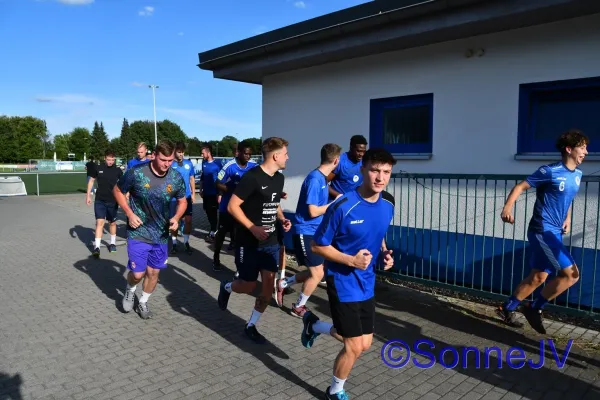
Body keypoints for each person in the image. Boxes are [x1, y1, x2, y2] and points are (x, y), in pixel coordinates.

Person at [300, 148, 396, 400]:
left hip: (367, 282)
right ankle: (335, 391)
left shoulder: (388, 203)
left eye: (386, 172)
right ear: (362, 169)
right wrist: (351, 260)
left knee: (363, 344)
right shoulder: (343, 205)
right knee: (352, 346)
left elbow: (379, 232)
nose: (380, 177)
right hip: (342, 282)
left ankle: (314, 325)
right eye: (375, 170)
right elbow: (317, 245)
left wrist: (385, 254)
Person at [496, 129, 588, 334]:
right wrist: (507, 208)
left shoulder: (578, 175)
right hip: (542, 231)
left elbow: (567, 198)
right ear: (569, 149)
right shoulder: (550, 171)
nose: (586, 152)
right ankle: (534, 307)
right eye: (582, 147)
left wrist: (568, 217)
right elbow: (520, 186)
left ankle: (506, 309)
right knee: (571, 275)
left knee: (538, 277)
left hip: (555, 231)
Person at [217, 137, 292, 343]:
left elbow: (274, 202)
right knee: (249, 285)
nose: (288, 157)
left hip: (270, 242)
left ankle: (251, 325)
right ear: (275, 156)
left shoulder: (279, 178)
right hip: (248, 241)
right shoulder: (252, 177)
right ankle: (227, 287)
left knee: (267, 286)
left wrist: (283, 219)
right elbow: (233, 206)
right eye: (285, 153)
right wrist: (252, 227)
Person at [113, 140, 187, 319]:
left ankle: (143, 302)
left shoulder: (175, 177)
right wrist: (129, 214)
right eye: (163, 160)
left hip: (161, 234)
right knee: (138, 273)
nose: (167, 164)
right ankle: (130, 289)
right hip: (138, 231)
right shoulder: (136, 173)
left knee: (154, 273)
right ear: (154, 155)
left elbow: (183, 201)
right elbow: (117, 190)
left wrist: (176, 218)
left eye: (170, 160)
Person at [275, 143, 343, 316]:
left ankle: (282, 284)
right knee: (317, 274)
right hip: (305, 232)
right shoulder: (314, 179)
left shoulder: (321, 178)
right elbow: (312, 211)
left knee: (318, 269)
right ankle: (298, 307)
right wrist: (333, 205)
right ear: (336, 160)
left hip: (315, 232)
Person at [212, 141, 257, 271]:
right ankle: (216, 257)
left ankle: (239, 266)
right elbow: (218, 183)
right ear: (239, 153)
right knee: (221, 234)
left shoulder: (254, 165)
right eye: (246, 153)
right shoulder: (229, 166)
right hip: (227, 207)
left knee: (239, 237)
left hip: (243, 209)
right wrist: (233, 191)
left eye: (250, 154)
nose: (248, 156)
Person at [86, 150, 123, 257]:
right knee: (99, 223)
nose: (110, 162)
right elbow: (91, 181)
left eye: (112, 160)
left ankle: (112, 243)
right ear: (104, 158)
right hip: (100, 200)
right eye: (108, 159)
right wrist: (88, 195)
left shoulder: (118, 170)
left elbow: (123, 183)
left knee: (112, 223)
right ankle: (97, 247)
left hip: (113, 201)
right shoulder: (98, 168)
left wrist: (125, 195)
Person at [169, 142, 196, 255]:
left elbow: (191, 179)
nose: (181, 154)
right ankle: (174, 244)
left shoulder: (188, 164)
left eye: (182, 152)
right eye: (179, 152)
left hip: (187, 197)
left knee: (188, 221)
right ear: (175, 152)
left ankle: (186, 242)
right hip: (174, 199)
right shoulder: (170, 164)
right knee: (175, 221)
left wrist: (193, 194)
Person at [327, 135, 367, 200]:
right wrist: (338, 196)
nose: (361, 154)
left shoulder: (365, 162)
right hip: (336, 204)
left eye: (363, 151)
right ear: (351, 148)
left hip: (354, 203)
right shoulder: (340, 162)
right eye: (358, 151)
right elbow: (323, 183)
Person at [199, 143, 223, 242]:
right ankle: (213, 230)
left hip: (215, 193)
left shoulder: (217, 164)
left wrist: (220, 194)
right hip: (206, 194)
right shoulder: (203, 163)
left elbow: (222, 179)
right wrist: (201, 189)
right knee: (208, 212)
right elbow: (202, 178)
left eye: (202, 153)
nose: (201, 155)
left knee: (214, 213)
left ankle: (214, 232)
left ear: (208, 152)